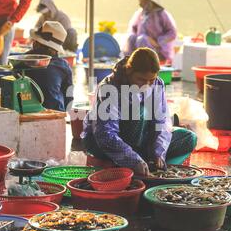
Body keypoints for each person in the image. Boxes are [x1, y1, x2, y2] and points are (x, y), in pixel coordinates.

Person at [82, 47, 197, 176]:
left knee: (188, 138)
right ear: (129, 70)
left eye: (151, 80)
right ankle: (136, 164)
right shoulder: (110, 87)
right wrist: (133, 159)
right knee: (139, 112)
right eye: (141, 80)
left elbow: (161, 121)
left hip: (140, 143)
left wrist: (159, 152)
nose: (146, 85)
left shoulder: (157, 84)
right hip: (103, 144)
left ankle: (155, 167)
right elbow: (106, 135)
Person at [24, 21, 73, 112]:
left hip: (26, 111)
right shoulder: (63, 66)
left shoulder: (24, 60)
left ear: (36, 44)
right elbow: (69, 97)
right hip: (56, 112)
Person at [124, 0, 177, 65]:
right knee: (131, 37)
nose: (140, 2)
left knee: (143, 39)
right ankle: (130, 63)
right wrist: (135, 36)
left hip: (158, 50)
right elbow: (133, 28)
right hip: (140, 44)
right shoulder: (141, 13)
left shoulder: (161, 14)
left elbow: (172, 33)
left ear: (149, 1)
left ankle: (144, 64)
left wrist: (157, 42)